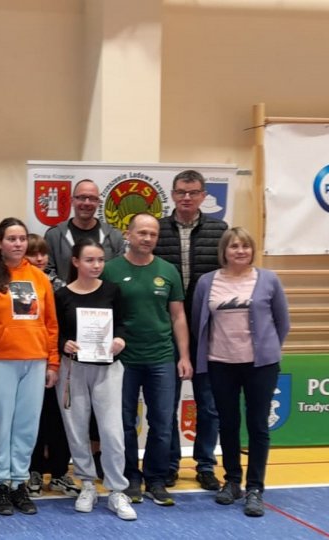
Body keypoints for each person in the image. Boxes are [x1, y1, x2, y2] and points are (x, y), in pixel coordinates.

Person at [192, 227, 289, 518]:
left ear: (252, 250)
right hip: (220, 363)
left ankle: (255, 488)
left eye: (245, 246)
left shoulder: (268, 279)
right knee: (228, 424)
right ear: (224, 251)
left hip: (260, 366)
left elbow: (282, 322)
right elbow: (198, 323)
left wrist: (267, 350)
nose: (240, 251)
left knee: (258, 426)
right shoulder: (207, 282)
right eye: (234, 246)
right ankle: (232, 481)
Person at [0, 218, 59, 517]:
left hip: (35, 361)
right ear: (0, 242)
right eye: (11, 239)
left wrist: (53, 361)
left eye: (21, 239)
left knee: (26, 426)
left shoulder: (39, 278)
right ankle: (0, 485)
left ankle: (19, 482)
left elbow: (51, 324)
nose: (18, 244)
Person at [101, 213, 192, 507]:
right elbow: (101, 313)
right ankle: (130, 478)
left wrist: (184, 356)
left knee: (163, 423)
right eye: (142, 232)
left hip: (161, 357)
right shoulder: (111, 270)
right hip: (123, 360)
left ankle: (156, 479)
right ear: (128, 234)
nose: (147, 238)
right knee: (124, 423)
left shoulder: (168, 270)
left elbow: (178, 316)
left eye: (153, 234)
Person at [155, 169, 229, 490]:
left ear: (203, 196)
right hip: (166, 328)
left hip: (208, 329)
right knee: (166, 403)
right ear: (172, 194)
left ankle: (206, 464)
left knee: (209, 404)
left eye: (193, 192)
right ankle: (170, 464)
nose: (187, 198)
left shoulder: (219, 230)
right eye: (181, 192)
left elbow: (228, 277)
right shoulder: (157, 230)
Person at [54, 237, 135, 521]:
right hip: (73, 368)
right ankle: (87, 483)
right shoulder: (62, 295)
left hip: (107, 368)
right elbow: (55, 331)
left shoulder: (112, 290)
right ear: (76, 262)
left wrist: (120, 340)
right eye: (90, 260)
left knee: (112, 431)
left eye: (100, 260)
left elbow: (122, 323)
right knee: (76, 428)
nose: (96, 265)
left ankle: (116, 489)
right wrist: (63, 343)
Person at [23, 234, 77, 497]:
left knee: (59, 417)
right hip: (30, 359)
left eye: (43, 253)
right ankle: (33, 470)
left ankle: (59, 472)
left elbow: (65, 326)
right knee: (34, 418)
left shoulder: (62, 288)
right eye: (33, 254)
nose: (39, 258)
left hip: (59, 361)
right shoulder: (20, 285)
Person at [43, 179, 125, 286]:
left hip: (105, 296)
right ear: (72, 200)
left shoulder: (114, 236)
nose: (87, 203)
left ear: (98, 202)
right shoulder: (54, 235)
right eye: (82, 197)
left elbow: (120, 271)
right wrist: (67, 291)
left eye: (92, 198)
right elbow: (46, 271)